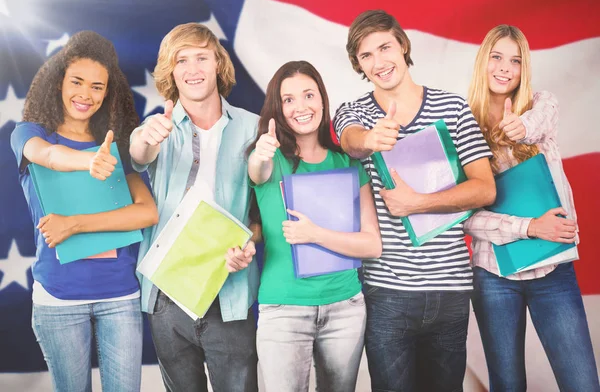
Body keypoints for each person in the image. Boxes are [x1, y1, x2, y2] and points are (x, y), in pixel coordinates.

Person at [333, 10, 496, 392]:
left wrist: (417, 203)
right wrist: (371, 139)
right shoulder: (354, 113)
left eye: (384, 47)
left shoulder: (453, 109)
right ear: (357, 64)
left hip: (450, 289)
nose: (378, 62)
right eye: (365, 55)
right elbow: (349, 140)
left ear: (403, 45)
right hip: (387, 292)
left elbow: (485, 188)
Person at [10, 30, 158, 392]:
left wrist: (74, 225)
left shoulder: (116, 145)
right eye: (76, 82)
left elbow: (146, 213)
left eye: (97, 86)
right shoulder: (29, 133)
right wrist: (87, 161)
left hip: (120, 296)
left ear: (107, 92)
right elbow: (46, 155)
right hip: (58, 297)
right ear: (58, 81)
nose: (85, 94)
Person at [464, 24, 600, 392]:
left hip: (551, 270)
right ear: (483, 61)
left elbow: (540, 119)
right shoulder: (463, 129)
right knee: (506, 385)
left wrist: (519, 127)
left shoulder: (542, 107)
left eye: (516, 60)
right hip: (494, 276)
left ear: (524, 69)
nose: (505, 67)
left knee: (583, 384)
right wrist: (529, 227)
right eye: (497, 57)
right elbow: (467, 217)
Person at [129, 23, 260, 392]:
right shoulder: (158, 126)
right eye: (181, 60)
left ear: (218, 63)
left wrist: (249, 244)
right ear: (171, 72)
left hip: (228, 292)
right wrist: (144, 137)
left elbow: (261, 215)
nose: (192, 69)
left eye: (201, 57)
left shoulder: (254, 129)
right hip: (167, 296)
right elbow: (140, 152)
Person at [247, 60, 381, 392]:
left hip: (345, 308)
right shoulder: (269, 159)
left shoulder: (348, 163)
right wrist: (261, 152)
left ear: (322, 99)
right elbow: (256, 171)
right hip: (284, 309)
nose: (301, 107)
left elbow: (372, 245)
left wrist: (315, 234)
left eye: (309, 95)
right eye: (289, 99)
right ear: (278, 109)